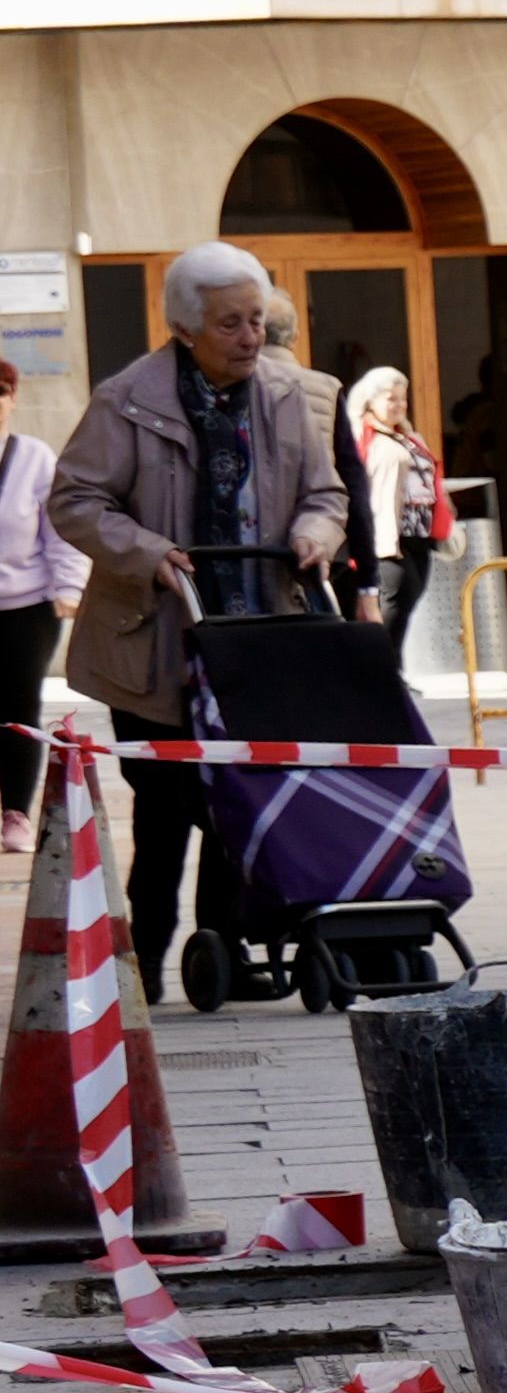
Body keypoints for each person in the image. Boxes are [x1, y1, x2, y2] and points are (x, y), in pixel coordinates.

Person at [55, 245, 348, 996]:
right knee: (165, 813)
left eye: (256, 319)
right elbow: (76, 501)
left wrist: (317, 532)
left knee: (243, 803)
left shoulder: (284, 393)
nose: (251, 337)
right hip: (157, 641)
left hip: (258, 638)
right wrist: (146, 550)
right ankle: (144, 964)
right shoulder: (127, 399)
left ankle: (224, 956)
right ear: (186, 328)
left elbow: (326, 492)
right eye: (231, 325)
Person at [0, 361, 69, 861]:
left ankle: (16, 813)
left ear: (12, 400)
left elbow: (60, 529)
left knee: (20, 709)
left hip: (26, 605)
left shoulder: (34, 457)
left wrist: (70, 587)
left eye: (1, 393)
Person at [341, 365, 444, 651]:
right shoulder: (362, 436)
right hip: (385, 535)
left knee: (410, 597)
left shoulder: (407, 436)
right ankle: (378, 668)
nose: (399, 405)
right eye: (391, 398)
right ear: (370, 400)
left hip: (418, 533)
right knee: (393, 599)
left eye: (403, 398)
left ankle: (393, 669)